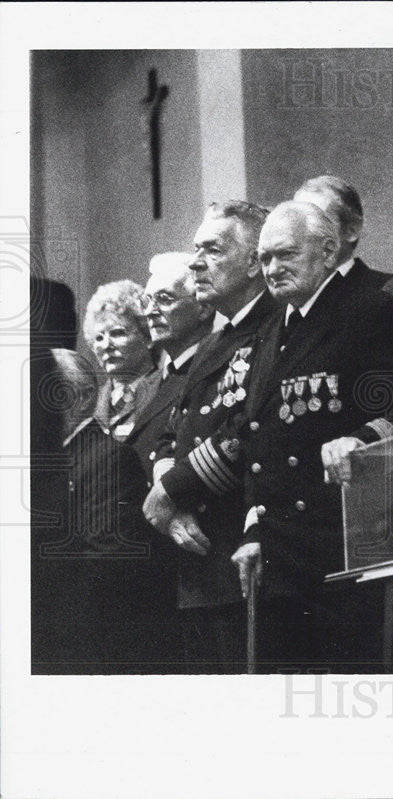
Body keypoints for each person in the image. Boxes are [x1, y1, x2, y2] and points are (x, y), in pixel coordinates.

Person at [218, 201, 393, 672]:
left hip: (347, 546)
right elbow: (264, 438)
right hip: (281, 556)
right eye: (264, 259)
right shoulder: (270, 329)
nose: (272, 269)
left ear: (328, 251)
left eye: (285, 254)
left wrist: (363, 437)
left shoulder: (372, 304)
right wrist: (257, 529)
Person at [143, 200, 278, 673]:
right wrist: (168, 492)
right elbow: (170, 433)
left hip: (242, 553)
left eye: (212, 250)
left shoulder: (275, 328)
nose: (196, 261)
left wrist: (173, 489)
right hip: (199, 558)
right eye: (195, 249)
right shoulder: (215, 343)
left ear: (254, 262)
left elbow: (248, 428)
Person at [34, 349, 179, 674]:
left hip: (87, 649)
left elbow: (108, 565)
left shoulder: (108, 459)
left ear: (82, 396)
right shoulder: (52, 462)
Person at [127, 251, 215, 486]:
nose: (150, 311)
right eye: (146, 301)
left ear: (204, 308)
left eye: (164, 299)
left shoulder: (209, 375)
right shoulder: (153, 381)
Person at [293, 174, 393, 330]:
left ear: (352, 230)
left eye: (316, 222)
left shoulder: (390, 292)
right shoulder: (284, 293)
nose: (300, 234)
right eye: (295, 223)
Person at [83, 279, 159, 442]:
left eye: (117, 333)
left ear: (148, 337)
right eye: (98, 337)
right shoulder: (90, 403)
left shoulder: (166, 388)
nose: (105, 345)